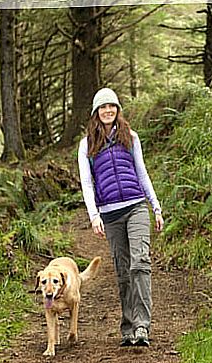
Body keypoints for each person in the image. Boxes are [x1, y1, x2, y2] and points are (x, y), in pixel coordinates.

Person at [78, 87, 164, 347]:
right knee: (123, 272)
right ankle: (127, 326)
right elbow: (87, 183)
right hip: (110, 215)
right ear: (96, 112)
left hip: (136, 207)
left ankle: (142, 327)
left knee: (140, 264)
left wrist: (156, 207)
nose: (108, 111)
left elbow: (142, 173)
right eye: (103, 107)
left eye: (112, 106)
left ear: (117, 110)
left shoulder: (131, 137)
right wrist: (94, 215)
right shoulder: (87, 145)